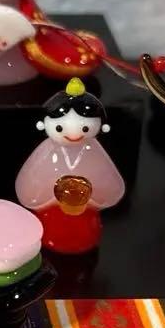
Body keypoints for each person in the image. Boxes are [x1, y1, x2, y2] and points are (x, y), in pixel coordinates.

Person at [15, 78, 124, 253]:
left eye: (85, 129)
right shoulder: (47, 149)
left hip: (85, 210)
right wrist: (52, 193)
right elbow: (30, 183)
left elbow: (109, 184)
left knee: (85, 227)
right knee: (50, 223)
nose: (73, 135)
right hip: (50, 209)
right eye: (60, 128)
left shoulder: (93, 150)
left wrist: (88, 196)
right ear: (45, 124)